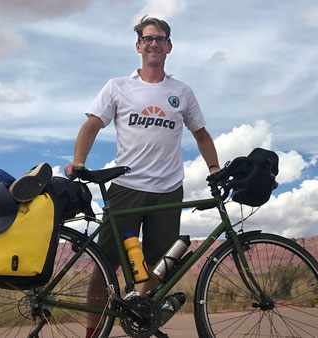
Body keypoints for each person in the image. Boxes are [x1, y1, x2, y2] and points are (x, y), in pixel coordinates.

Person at [64, 15, 220, 337]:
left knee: (158, 265)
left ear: (169, 47)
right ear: (138, 46)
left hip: (168, 190)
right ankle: (94, 330)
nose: (153, 44)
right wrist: (78, 160)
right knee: (105, 265)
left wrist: (214, 169)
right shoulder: (118, 87)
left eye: (159, 39)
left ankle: (140, 321)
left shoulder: (182, 92)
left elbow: (201, 134)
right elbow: (93, 124)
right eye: (147, 39)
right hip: (126, 187)